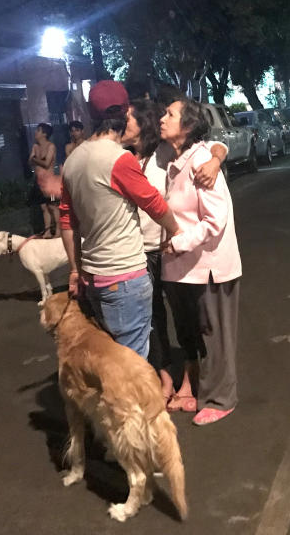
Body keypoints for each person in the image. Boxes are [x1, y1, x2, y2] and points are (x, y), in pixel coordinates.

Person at [59, 80, 181, 359]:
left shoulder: (73, 161)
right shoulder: (118, 159)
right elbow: (153, 202)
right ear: (126, 112)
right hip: (125, 276)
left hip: (93, 278)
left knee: (111, 358)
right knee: (132, 365)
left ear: (90, 114)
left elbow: (67, 220)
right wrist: (175, 230)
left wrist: (75, 270)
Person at [121, 99, 228, 409]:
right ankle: (166, 375)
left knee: (189, 318)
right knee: (152, 318)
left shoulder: (166, 152)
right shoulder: (122, 158)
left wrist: (215, 160)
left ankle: (192, 378)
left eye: (127, 118)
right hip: (137, 252)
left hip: (168, 249)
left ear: (143, 122)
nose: (120, 123)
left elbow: (213, 144)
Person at [159, 97, 243, 426]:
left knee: (214, 335)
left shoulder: (202, 162)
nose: (163, 119)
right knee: (192, 333)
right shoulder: (173, 159)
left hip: (208, 266)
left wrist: (179, 242)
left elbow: (215, 220)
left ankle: (221, 398)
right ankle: (198, 388)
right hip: (180, 267)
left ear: (189, 126)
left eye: (170, 114)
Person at [29, 122, 60, 237]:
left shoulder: (51, 146)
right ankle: (47, 231)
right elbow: (29, 161)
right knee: (43, 207)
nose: (35, 133)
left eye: (38, 130)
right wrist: (35, 159)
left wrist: (35, 159)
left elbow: (47, 163)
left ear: (44, 134)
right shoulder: (35, 146)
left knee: (52, 206)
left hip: (49, 183)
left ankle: (58, 230)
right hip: (39, 182)